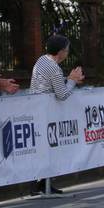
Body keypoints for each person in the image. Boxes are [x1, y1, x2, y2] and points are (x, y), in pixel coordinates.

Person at [29, 34, 85, 195]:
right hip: (45, 112)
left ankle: (43, 183)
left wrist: (68, 78)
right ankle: (40, 184)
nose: (67, 53)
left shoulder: (42, 60)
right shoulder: (54, 67)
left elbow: (53, 83)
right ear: (60, 52)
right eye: (66, 50)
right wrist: (73, 81)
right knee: (49, 147)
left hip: (38, 109)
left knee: (44, 148)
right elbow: (62, 94)